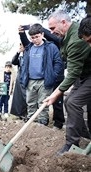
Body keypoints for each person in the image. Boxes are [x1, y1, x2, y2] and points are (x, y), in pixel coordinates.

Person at [44, 10, 91, 155]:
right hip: (83, 75)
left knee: (73, 102)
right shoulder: (74, 33)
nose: (51, 32)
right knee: (69, 101)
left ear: (63, 22)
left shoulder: (76, 40)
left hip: (87, 75)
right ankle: (84, 136)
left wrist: (56, 93)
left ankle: (71, 144)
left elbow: (72, 73)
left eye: (52, 28)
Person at [19, 23, 63, 126]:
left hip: (45, 80)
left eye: (37, 37)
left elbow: (58, 63)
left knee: (43, 103)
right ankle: (31, 122)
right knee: (30, 102)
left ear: (42, 34)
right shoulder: (29, 48)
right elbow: (24, 63)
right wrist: (21, 33)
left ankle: (43, 123)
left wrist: (53, 75)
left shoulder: (51, 47)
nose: (34, 39)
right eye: (32, 38)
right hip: (30, 80)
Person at [10, 43, 27, 120]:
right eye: (20, 46)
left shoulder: (28, 56)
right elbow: (13, 61)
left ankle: (26, 114)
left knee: (26, 97)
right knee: (18, 98)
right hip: (19, 78)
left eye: (22, 46)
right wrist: (18, 52)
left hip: (26, 79)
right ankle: (19, 114)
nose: (21, 47)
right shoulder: (20, 58)